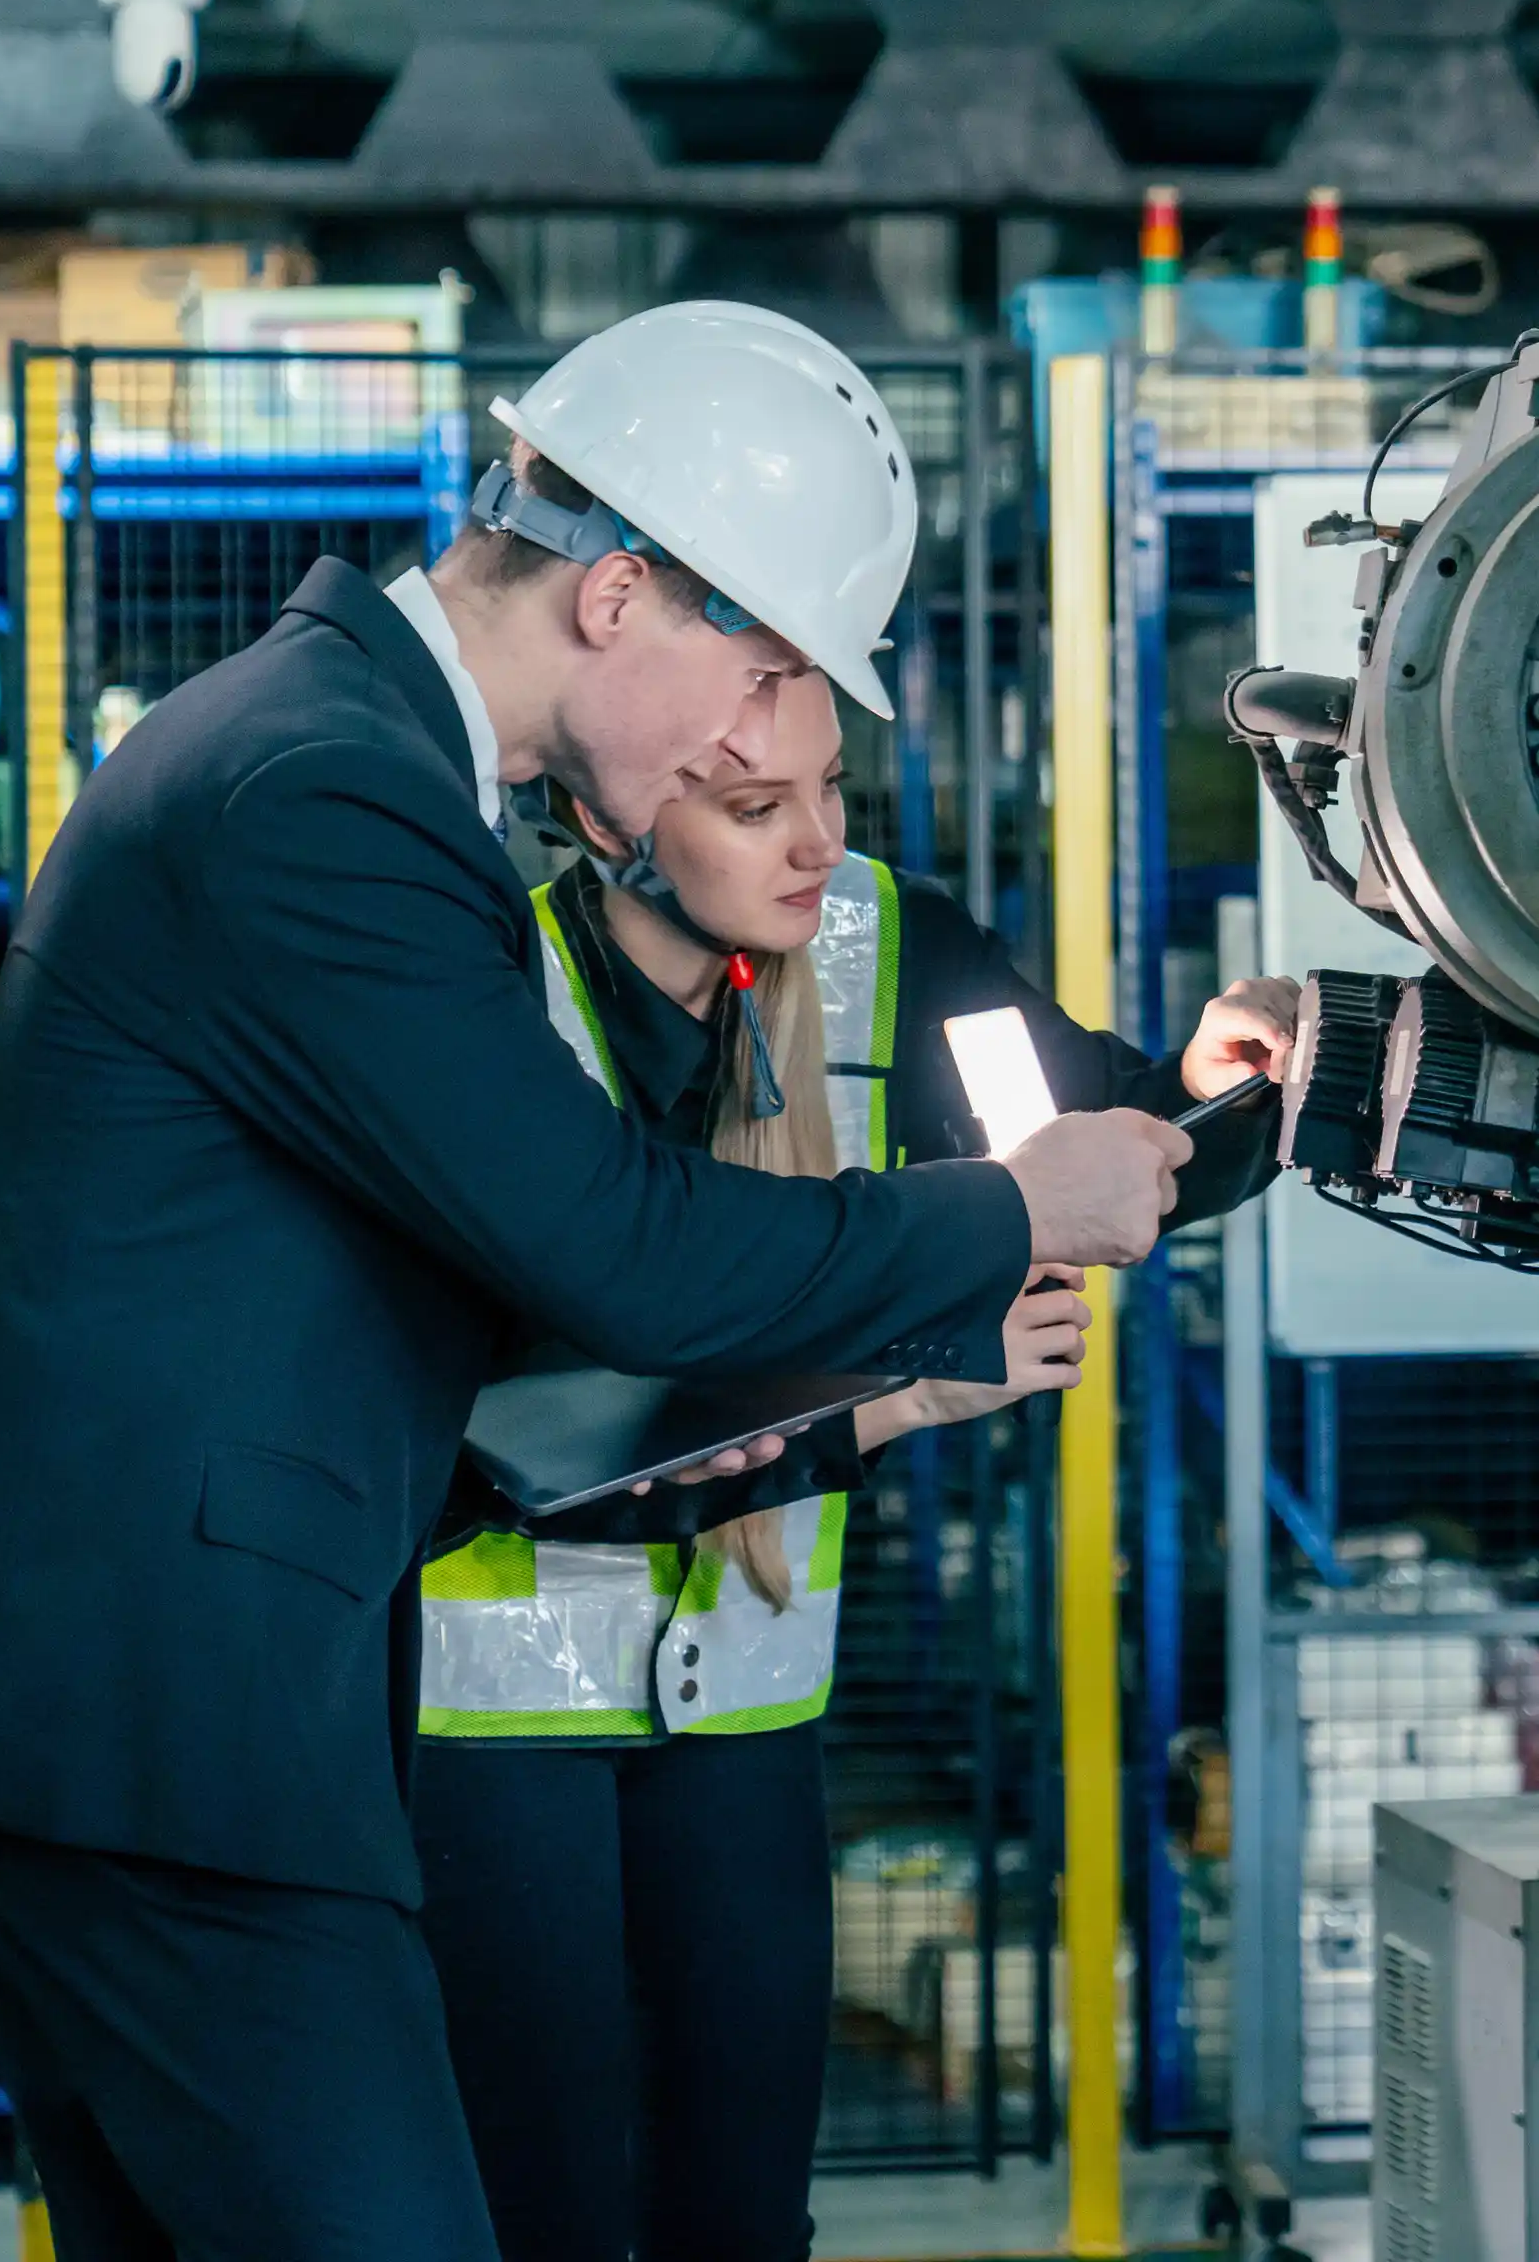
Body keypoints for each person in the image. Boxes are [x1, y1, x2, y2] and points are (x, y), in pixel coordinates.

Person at [0, 302, 1197, 2262]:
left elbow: (481, 1314)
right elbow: (616, 1243)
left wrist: (903, 1344)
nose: (761, 745)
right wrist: (1007, 1208)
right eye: (761, 671)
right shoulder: (327, 791)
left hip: (124, 1694)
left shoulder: (332, 752)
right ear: (619, 592)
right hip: (163, 1716)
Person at [411, 667, 1296, 2262]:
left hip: (744, 1718)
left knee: (742, 2219)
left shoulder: (895, 948)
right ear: (615, 813)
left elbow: (1100, 1144)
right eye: (758, 809)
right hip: (490, 1738)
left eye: (833, 792)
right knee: (538, 2215)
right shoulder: (487, 992)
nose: (819, 843)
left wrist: (1224, 1087)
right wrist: (893, 1400)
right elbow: (524, 1418)